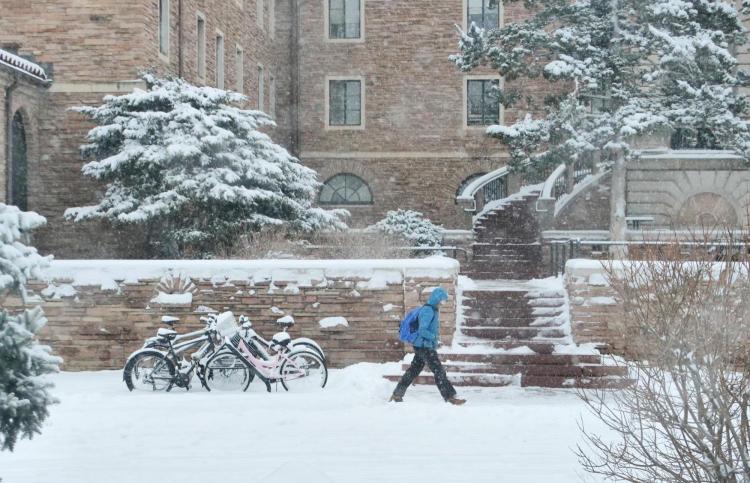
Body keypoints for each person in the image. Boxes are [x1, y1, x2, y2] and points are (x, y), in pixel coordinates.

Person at [390, 287, 466, 405]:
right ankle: (450, 397)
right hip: (424, 347)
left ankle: (397, 394)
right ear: (437, 298)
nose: (443, 303)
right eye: (442, 300)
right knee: (439, 371)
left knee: (413, 371)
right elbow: (422, 330)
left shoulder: (432, 309)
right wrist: (434, 338)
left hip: (422, 346)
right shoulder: (428, 311)